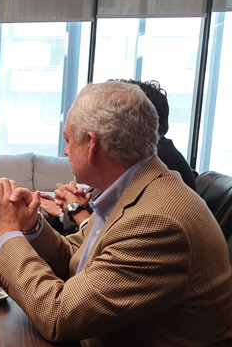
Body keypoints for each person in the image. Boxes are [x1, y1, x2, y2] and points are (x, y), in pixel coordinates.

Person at [0, 81, 232, 346]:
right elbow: (76, 259)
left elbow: (57, 316)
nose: (66, 151)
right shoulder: (135, 188)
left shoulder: (157, 222)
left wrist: (9, 233)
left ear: (91, 144)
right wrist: (31, 226)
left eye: (68, 140)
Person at [41, 79, 197, 235]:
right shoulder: (140, 170)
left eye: (69, 140)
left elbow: (98, 242)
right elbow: (85, 247)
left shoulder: (152, 214)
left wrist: (74, 210)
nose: (66, 151)